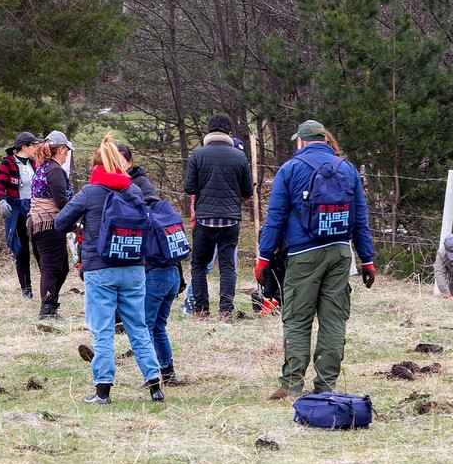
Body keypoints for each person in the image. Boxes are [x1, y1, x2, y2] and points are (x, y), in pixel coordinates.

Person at [257, 120, 376, 398]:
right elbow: (360, 218)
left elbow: (274, 217)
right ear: (324, 140)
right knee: (333, 320)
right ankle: (325, 385)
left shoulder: (290, 170)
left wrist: (264, 257)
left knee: (298, 319)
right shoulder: (347, 169)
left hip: (303, 254)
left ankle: (291, 385)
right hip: (340, 253)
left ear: (300, 141)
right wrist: (366, 259)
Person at [54, 135, 164, 405]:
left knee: (102, 331)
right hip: (134, 268)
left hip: (100, 269)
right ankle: (155, 386)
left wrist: (81, 228)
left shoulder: (90, 192)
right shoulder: (134, 191)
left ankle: (103, 391)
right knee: (138, 328)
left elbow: (60, 222)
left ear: (97, 166)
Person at [118, 143, 183, 385]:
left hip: (155, 272)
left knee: (144, 325)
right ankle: (168, 372)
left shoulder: (137, 191)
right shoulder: (156, 201)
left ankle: (154, 375)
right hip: (171, 273)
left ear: (129, 162)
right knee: (157, 326)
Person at [182, 114, 254, 323]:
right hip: (231, 220)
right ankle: (226, 312)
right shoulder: (239, 157)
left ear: (209, 132)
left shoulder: (198, 155)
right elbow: (247, 190)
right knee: (227, 266)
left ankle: (202, 311)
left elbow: (189, 187)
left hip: (204, 219)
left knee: (198, 265)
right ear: (229, 133)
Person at [27, 131, 74, 320]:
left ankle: (51, 304)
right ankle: (47, 309)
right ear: (61, 149)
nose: (67, 155)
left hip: (39, 223)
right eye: (67, 150)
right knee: (51, 268)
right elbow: (61, 201)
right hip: (49, 223)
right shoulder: (54, 170)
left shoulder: (43, 167)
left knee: (61, 268)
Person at [0, 132, 45, 299]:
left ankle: (46, 286)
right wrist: (2, 201)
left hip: (34, 208)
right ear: (24, 147)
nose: (35, 149)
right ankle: (26, 288)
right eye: (33, 145)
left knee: (40, 247)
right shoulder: (8, 163)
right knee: (22, 249)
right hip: (16, 209)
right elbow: (0, 187)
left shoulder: (34, 164)